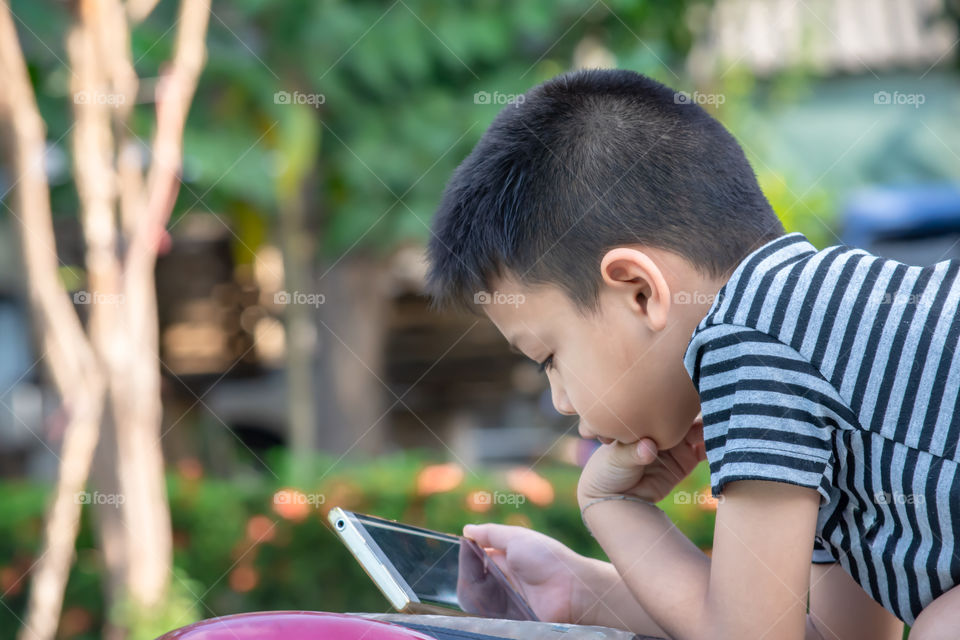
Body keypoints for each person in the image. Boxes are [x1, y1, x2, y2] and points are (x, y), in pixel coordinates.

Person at [425, 68, 960, 640]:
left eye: (548, 357)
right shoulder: (819, 337)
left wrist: (611, 506)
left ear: (639, 290)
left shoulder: (750, 337)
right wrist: (581, 589)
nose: (559, 401)